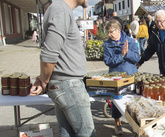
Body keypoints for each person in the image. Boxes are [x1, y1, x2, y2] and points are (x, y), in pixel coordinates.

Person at [29, 0, 96, 136]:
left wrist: (43, 78)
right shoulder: (61, 10)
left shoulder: (60, 9)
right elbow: (49, 55)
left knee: (67, 133)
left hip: (64, 85)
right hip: (68, 86)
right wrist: (44, 80)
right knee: (87, 133)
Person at [103, 19, 140, 134]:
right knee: (116, 102)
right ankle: (117, 124)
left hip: (131, 76)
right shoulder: (107, 44)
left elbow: (137, 58)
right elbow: (108, 61)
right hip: (116, 77)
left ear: (118, 30)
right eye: (108, 32)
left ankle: (135, 124)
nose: (109, 35)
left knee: (133, 102)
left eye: (111, 32)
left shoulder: (130, 41)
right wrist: (122, 55)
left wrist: (127, 53)